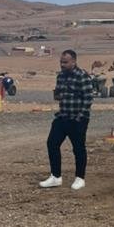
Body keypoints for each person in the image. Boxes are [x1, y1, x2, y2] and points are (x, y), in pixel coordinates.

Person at [41, 49, 95, 191]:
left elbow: (88, 98)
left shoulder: (82, 76)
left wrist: (80, 117)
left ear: (74, 61)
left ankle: (80, 178)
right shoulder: (61, 77)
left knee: (78, 148)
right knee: (52, 143)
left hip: (77, 119)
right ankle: (55, 176)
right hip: (63, 116)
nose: (62, 65)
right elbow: (59, 94)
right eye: (61, 62)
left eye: (65, 62)